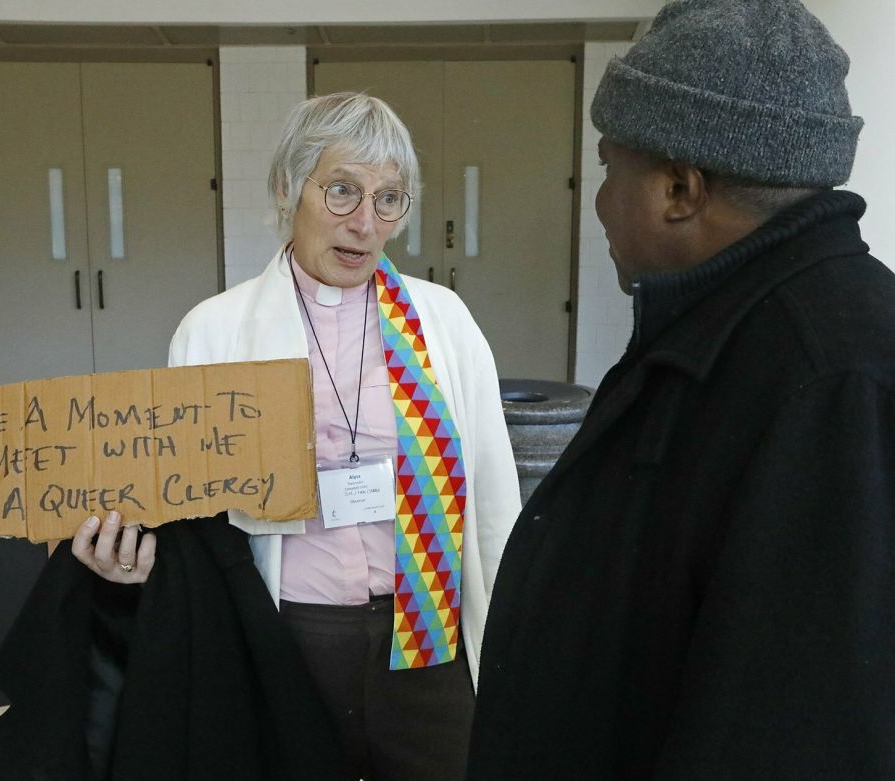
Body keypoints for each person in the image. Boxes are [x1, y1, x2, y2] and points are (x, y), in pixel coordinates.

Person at [467, 1, 895, 778]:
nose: (598, 202)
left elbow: (803, 734)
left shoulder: (830, 376)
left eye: (607, 166)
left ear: (678, 188)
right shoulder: (724, 329)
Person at [72, 92, 522, 780]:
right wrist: (133, 559)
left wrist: (517, 627)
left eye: (389, 198)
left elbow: (492, 494)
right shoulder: (216, 331)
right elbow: (186, 513)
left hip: (429, 640)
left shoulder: (445, 323)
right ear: (288, 188)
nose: (365, 223)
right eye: (341, 190)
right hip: (289, 636)